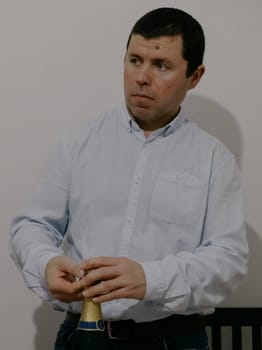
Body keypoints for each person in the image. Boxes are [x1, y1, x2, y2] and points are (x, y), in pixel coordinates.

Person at [9, 7, 248, 350]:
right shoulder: (78, 143)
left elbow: (229, 259)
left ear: (194, 77)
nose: (142, 77)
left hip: (175, 339)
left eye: (160, 65)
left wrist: (150, 279)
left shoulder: (214, 160)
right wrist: (45, 263)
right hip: (83, 334)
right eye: (134, 60)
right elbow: (30, 225)